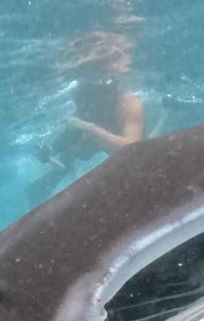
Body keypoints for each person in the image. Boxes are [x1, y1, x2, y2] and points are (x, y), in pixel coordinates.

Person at [26, 28, 145, 202]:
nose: (83, 105)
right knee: (76, 149)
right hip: (115, 160)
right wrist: (48, 151)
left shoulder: (128, 103)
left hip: (143, 162)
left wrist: (89, 128)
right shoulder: (90, 110)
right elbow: (65, 141)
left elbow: (133, 149)